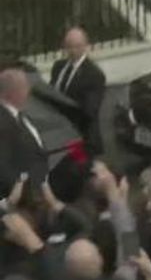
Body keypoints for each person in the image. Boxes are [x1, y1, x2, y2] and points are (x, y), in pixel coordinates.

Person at [50, 27, 107, 155]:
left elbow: (89, 111)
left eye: (77, 46)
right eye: (69, 46)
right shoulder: (59, 67)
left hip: (80, 137)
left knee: (80, 171)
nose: (72, 50)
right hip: (57, 136)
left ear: (85, 46)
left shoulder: (93, 74)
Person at [0, 67, 47, 195]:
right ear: (13, 92)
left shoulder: (21, 115)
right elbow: (4, 168)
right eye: (25, 87)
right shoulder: (3, 122)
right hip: (26, 197)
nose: (29, 91)